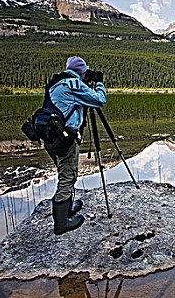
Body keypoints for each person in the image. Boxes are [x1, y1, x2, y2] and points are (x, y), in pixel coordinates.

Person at [44, 56, 106, 235]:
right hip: (65, 139)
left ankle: (68, 208)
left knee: (66, 172)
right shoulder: (73, 84)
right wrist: (99, 84)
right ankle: (62, 224)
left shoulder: (56, 82)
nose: (87, 75)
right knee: (68, 177)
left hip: (51, 137)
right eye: (85, 72)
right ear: (81, 71)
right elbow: (99, 100)